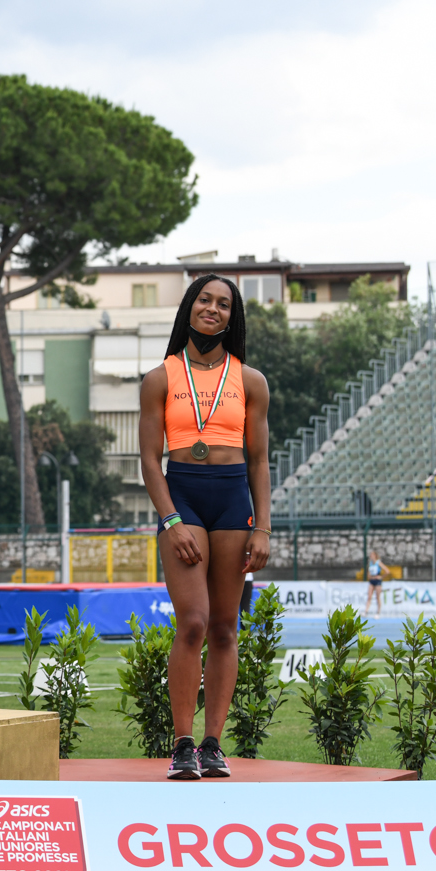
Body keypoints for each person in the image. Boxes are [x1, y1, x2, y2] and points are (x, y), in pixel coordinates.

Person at [140, 274, 271, 781]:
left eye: (223, 304)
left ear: (232, 316)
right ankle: (182, 745)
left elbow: (259, 462)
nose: (212, 309)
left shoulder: (251, 380)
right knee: (192, 621)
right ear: (189, 307)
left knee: (223, 627)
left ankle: (214, 745)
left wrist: (262, 527)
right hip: (185, 498)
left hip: (233, 498)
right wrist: (171, 521)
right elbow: (150, 460)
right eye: (204, 300)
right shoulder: (160, 377)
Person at [364, 550, 387, 615]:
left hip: (377, 581)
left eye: (372, 555)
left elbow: (387, 571)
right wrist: (369, 577)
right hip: (371, 581)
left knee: (377, 597)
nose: (370, 556)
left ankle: (378, 613)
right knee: (369, 597)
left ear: (375, 556)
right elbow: (368, 572)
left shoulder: (378, 563)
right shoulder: (370, 563)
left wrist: (381, 577)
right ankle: (366, 611)